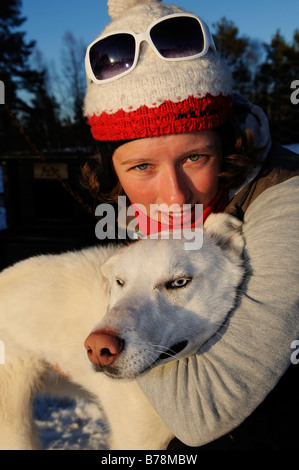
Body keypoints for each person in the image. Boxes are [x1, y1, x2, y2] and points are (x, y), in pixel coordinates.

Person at [82, 0, 299, 449]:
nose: (175, 197)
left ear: (226, 146)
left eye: (195, 157)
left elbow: (202, 415)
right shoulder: (144, 211)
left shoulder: (289, 205)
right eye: (142, 167)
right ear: (113, 172)